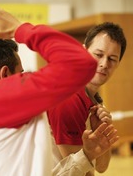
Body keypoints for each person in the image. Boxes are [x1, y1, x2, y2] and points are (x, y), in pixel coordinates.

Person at [0, 0, 120, 176]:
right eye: (21, 73)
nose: (104, 64)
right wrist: (19, 29)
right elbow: (79, 64)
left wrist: (87, 154)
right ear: (5, 76)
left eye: (112, 58)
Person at [48, 22, 127, 175]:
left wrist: (102, 131)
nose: (104, 64)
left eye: (112, 58)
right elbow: (77, 171)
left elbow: (101, 167)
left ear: (118, 63)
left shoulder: (95, 100)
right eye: (98, 55)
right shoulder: (68, 96)